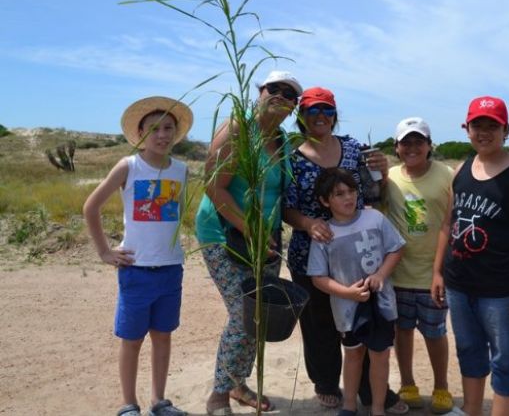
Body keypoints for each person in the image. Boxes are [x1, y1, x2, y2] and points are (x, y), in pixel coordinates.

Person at [283, 87, 408, 414]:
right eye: (312, 111)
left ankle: (370, 391)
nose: (320, 116)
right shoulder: (291, 158)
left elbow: (373, 191)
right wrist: (309, 224)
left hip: (359, 252)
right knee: (319, 323)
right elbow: (286, 208)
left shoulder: (355, 149)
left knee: (364, 322)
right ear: (301, 117)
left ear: (335, 114)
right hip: (311, 251)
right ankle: (326, 383)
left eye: (326, 110)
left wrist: (383, 169)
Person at [431, 96, 509, 416]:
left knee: (506, 356)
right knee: (469, 350)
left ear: (505, 129)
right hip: (459, 283)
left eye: (492, 125)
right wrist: (438, 272)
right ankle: (470, 410)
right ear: (466, 129)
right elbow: (447, 223)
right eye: (477, 125)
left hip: (501, 289)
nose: (484, 132)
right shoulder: (461, 170)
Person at [195, 70, 299, 416]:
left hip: (265, 240)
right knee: (242, 316)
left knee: (260, 316)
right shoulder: (239, 129)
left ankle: (239, 383)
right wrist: (250, 228)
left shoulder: (283, 141)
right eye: (275, 89)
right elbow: (214, 185)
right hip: (225, 234)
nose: (282, 97)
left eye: (290, 94)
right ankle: (218, 396)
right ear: (260, 91)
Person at [83, 96, 193, 416]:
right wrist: (104, 251)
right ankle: (128, 404)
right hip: (136, 269)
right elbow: (91, 206)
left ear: (176, 133)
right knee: (132, 339)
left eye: (168, 128)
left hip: (171, 268)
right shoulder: (129, 166)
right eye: (154, 128)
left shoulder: (182, 170)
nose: (162, 135)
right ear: (141, 132)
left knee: (163, 337)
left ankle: (160, 402)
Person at [307, 168, 406, 416]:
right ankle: (349, 406)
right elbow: (318, 277)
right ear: (324, 200)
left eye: (351, 191)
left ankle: (378, 408)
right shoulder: (324, 234)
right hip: (346, 309)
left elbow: (396, 249)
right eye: (339, 194)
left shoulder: (375, 219)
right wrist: (346, 292)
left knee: (380, 356)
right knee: (353, 355)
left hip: (381, 303)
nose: (348, 198)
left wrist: (380, 275)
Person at [382, 117, 455, 414]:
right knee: (402, 331)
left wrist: (441, 271)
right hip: (398, 274)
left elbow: (451, 224)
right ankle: (408, 384)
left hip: (433, 275)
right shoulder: (388, 179)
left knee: (435, 333)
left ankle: (441, 387)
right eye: (406, 142)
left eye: (418, 141)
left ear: (429, 145)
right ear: (397, 147)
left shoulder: (448, 176)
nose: (412, 147)